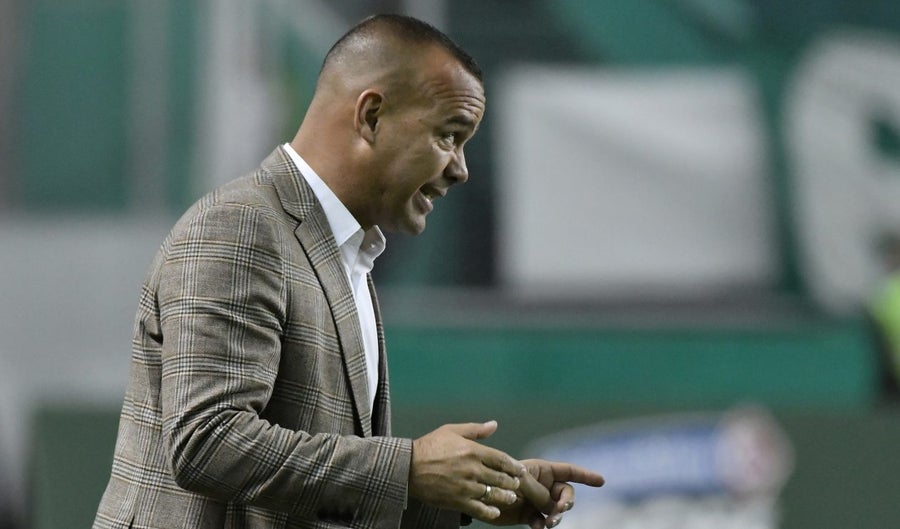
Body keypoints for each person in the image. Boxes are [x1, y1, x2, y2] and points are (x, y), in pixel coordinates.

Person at [93, 14, 604, 529]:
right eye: (449, 135)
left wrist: (469, 491)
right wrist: (409, 469)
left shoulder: (342, 252)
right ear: (372, 116)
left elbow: (317, 487)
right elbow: (208, 442)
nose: (461, 169)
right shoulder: (242, 227)